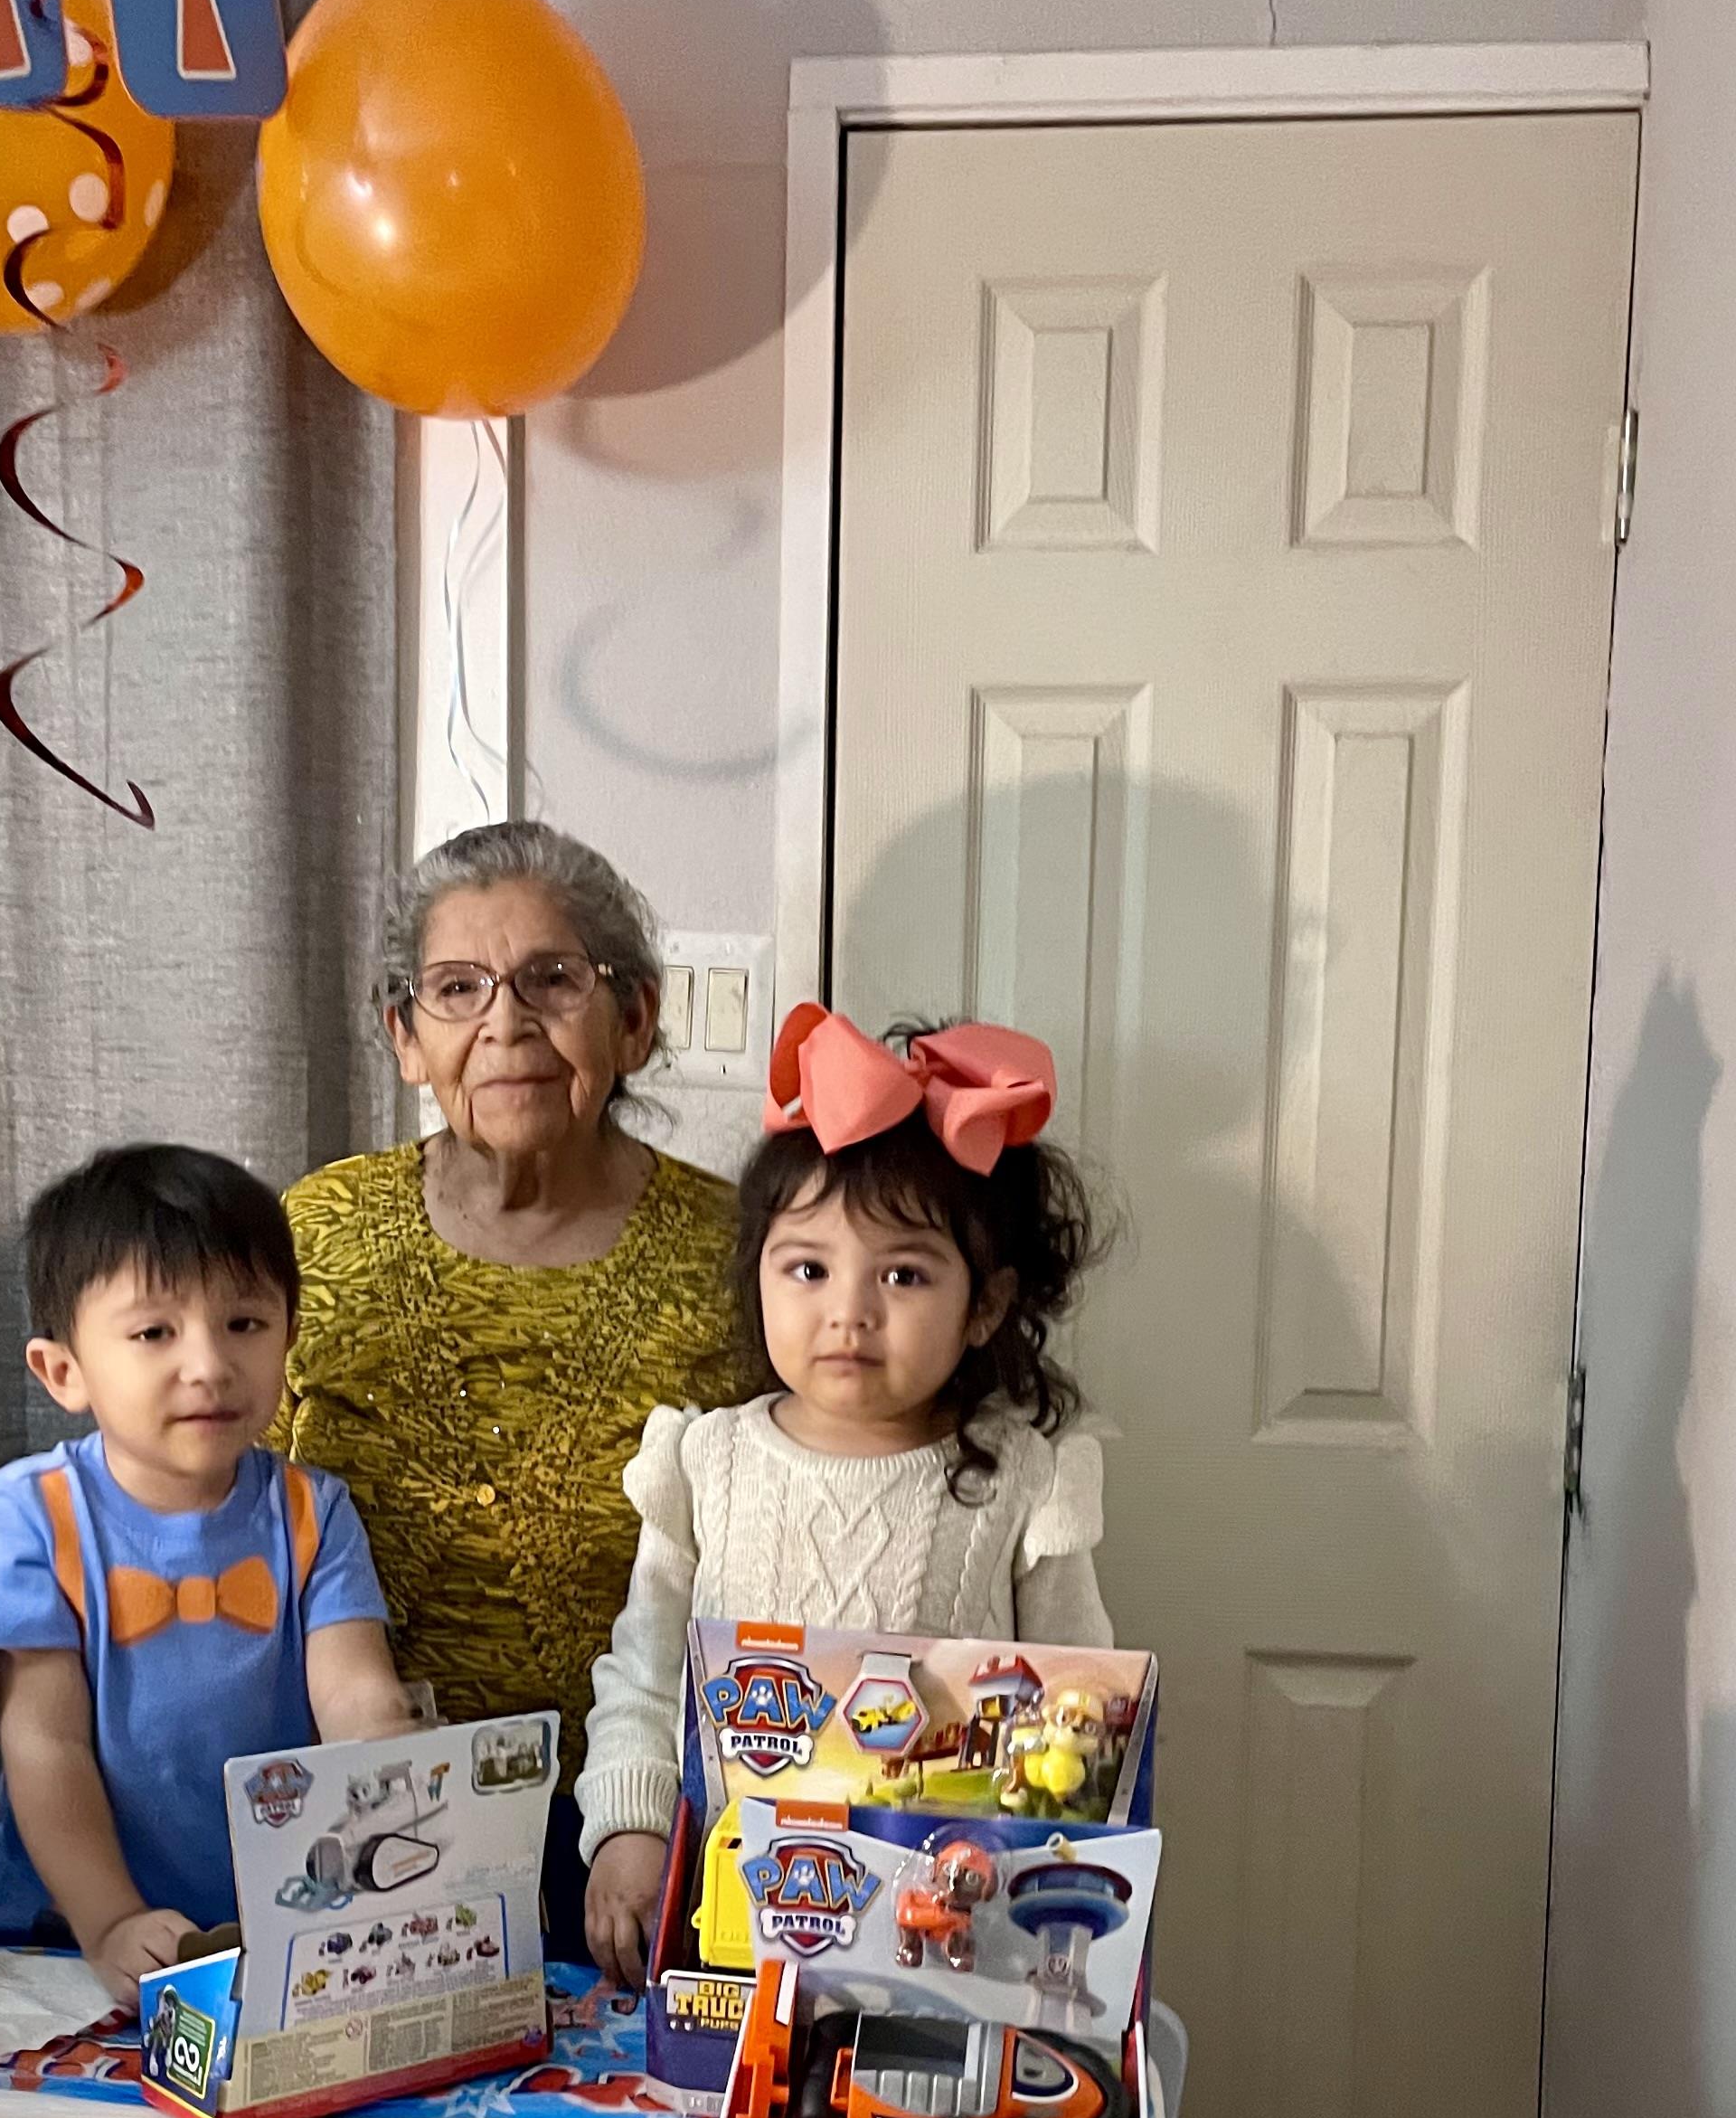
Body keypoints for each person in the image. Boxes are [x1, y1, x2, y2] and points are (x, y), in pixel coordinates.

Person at [279, 823, 738, 1974]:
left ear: (632, 1018)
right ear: (405, 1037)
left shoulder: (748, 1257)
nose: (506, 1022)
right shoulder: (314, 1235)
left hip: (645, 1835)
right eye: (457, 988)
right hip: (361, 1832)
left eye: (552, 979)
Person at [576, 1007, 1115, 1977]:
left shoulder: (1024, 1480)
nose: (849, 1313)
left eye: (904, 1274)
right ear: (760, 1277)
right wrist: (628, 1828)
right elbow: (646, 1679)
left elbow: (1082, 1715)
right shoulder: (706, 1462)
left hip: (947, 1936)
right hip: (729, 1926)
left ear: (984, 1303)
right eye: (809, 1268)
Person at [0, 1146, 419, 1993]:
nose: (207, 1363)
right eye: (154, 1332)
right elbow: (43, 1742)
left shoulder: (314, 1511)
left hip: (283, 1931)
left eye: (244, 1323)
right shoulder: (29, 1516)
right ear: (65, 1371)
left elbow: (357, 1696)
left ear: (289, 1339)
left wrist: (415, 1795)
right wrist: (111, 1919)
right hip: (65, 1938)